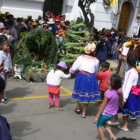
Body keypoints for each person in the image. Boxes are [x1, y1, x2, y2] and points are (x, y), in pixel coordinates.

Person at [108, 54, 140, 132]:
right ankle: (120, 123)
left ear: (128, 63)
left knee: (115, 103)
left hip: (128, 94)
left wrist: (123, 99)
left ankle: (119, 122)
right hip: (133, 93)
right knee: (125, 109)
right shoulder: (137, 71)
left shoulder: (130, 72)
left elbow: (127, 86)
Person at [70, 43, 101, 118]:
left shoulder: (80, 58)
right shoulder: (96, 60)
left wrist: (71, 72)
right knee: (87, 94)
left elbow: (73, 68)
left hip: (81, 77)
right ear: (93, 51)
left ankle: (78, 108)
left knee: (80, 92)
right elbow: (96, 71)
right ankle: (84, 112)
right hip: (91, 78)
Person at [93, 74, 122, 140]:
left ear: (113, 83)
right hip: (113, 114)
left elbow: (102, 106)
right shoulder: (119, 93)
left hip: (106, 114)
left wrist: (97, 116)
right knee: (104, 122)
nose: (108, 80)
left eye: (110, 79)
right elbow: (120, 102)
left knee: (99, 125)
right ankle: (112, 135)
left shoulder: (108, 94)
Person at [0, 35, 12, 102]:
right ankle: (1, 97)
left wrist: (10, 67)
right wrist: (6, 69)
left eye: (8, 46)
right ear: (2, 46)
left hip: (7, 72)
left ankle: (4, 96)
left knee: (5, 85)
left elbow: (10, 61)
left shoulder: (8, 53)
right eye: (6, 46)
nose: (8, 47)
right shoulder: (1, 54)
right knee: (2, 85)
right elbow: (1, 64)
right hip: (2, 72)